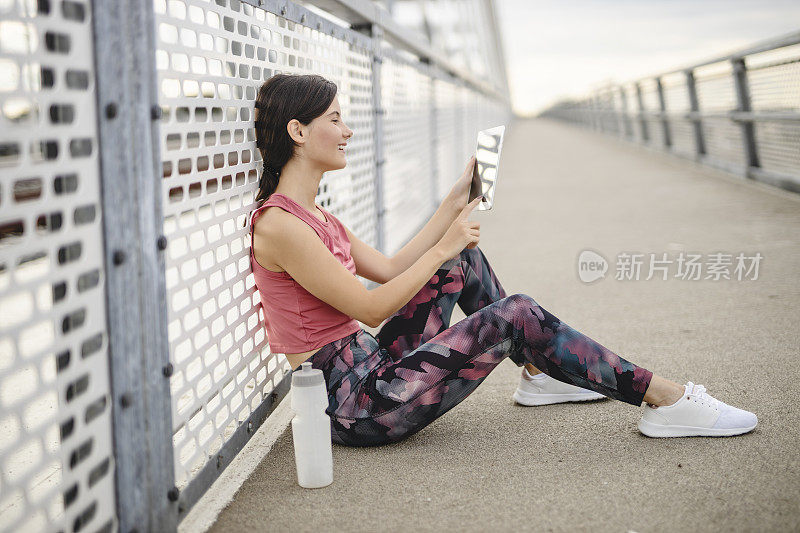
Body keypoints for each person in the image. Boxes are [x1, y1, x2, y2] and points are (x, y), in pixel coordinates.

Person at [248, 73, 758, 447]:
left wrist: (450, 210)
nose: (347, 130)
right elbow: (373, 306)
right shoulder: (281, 226)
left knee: (461, 263)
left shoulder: (313, 213)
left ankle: (538, 373)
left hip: (372, 366)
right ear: (298, 131)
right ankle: (663, 398)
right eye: (335, 119)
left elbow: (388, 268)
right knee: (512, 312)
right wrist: (445, 244)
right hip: (352, 407)